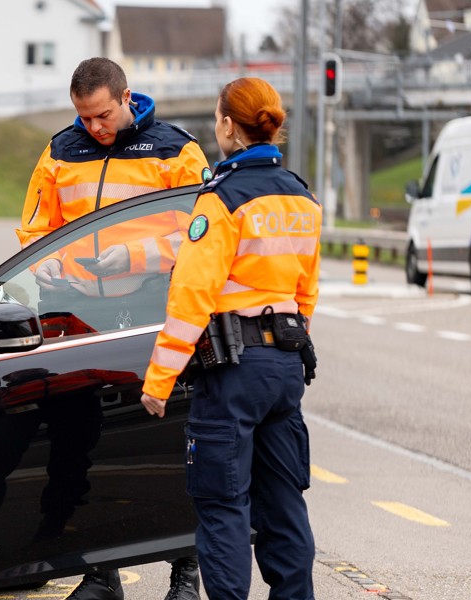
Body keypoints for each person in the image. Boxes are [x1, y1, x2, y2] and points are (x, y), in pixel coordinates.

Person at [18, 56, 208, 600]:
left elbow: (202, 234)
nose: (94, 127)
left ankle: (185, 572)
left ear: (127, 98)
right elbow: (35, 228)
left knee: (170, 440)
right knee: (83, 442)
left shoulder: (176, 151)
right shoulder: (61, 150)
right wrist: (45, 262)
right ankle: (101, 572)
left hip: (154, 307)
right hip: (77, 310)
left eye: (102, 115)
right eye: (84, 117)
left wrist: (134, 257)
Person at [140, 77, 321, 600]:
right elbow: (306, 294)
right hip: (284, 367)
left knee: (223, 506)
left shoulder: (222, 200)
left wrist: (159, 380)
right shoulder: (302, 198)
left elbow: (190, 296)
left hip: (233, 372)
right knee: (283, 504)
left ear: (226, 125)